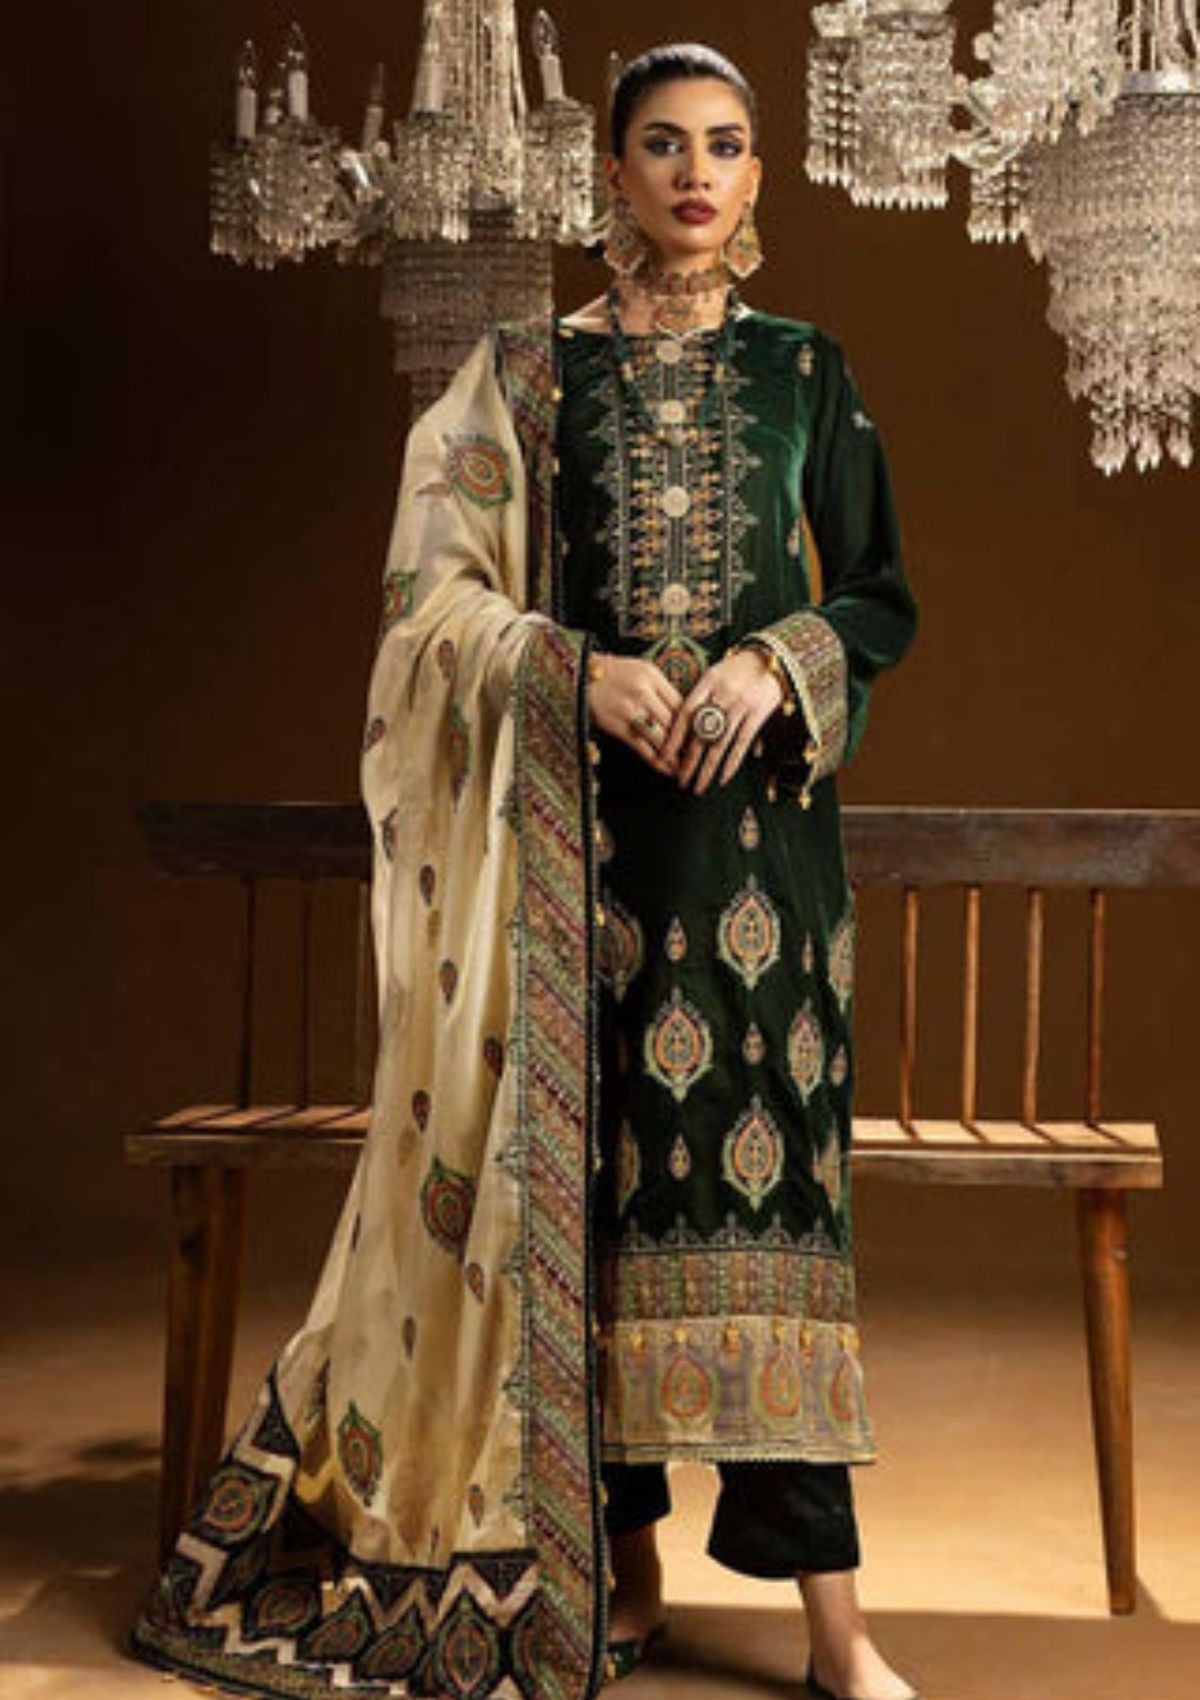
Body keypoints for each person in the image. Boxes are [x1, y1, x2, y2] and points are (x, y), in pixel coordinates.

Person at [128, 40, 918, 1700]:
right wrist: (578, 673)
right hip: (575, 867)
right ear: (611, 173)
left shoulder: (807, 371)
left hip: (763, 871)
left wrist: (774, 662)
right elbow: (434, 603)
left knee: (774, 1217)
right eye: (662, 145)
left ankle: (837, 1632)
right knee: (588, 1220)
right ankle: (616, 1573)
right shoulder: (531, 379)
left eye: (725, 146)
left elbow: (878, 595)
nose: (695, 174)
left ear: (759, 177)